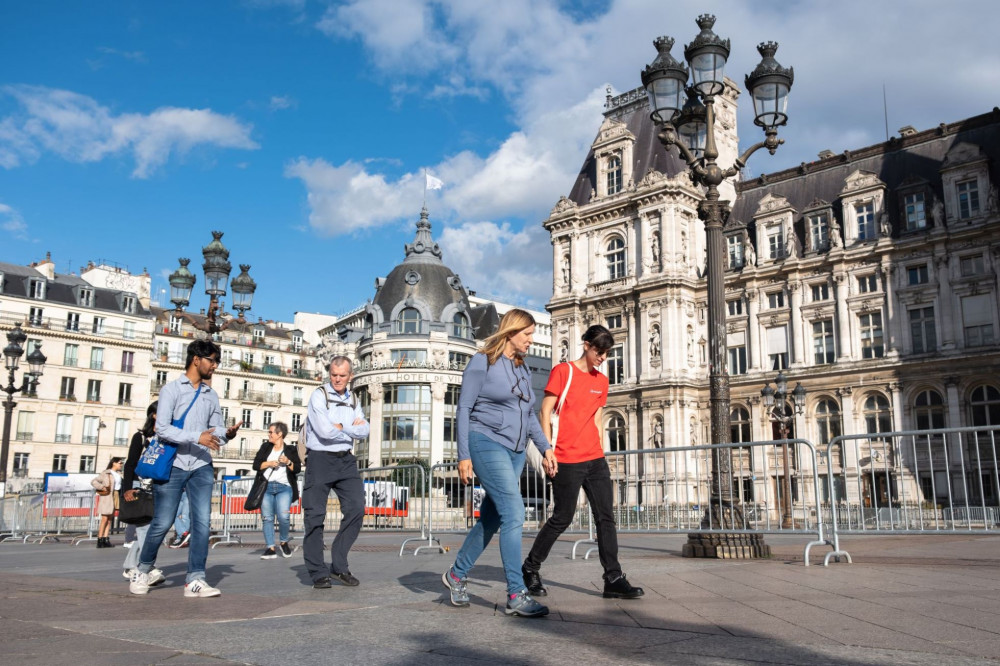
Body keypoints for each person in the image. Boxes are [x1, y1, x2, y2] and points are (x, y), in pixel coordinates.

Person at [442, 308, 557, 618]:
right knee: (515, 511)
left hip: (516, 450)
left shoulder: (522, 368)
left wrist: (545, 448)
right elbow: (463, 409)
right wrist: (463, 454)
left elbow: (530, 415)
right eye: (527, 335)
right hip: (485, 441)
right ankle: (516, 594)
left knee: (493, 518)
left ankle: (455, 574)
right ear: (510, 333)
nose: (532, 340)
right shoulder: (482, 362)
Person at [522, 325, 644, 600]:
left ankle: (613, 577)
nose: (603, 357)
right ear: (586, 345)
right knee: (562, 518)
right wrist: (547, 452)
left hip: (594, 459)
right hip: (565, 457)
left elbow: (598, 419)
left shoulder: (601, 381)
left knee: (606, 518)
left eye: (607, 353)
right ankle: (530, 569)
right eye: (599, 351)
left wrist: (600, 451)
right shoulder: (563, 372)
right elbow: (545, 411)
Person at [130, 339, 241, 597]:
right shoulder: (171, 391)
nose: (215, 366)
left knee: (202, 523)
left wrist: (228, 434)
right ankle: (143, 569)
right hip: (174, 464)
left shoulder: (210, 394)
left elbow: (215, 431)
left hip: (202, 464)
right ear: (196, 359)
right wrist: (196, 437)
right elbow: (162, 429)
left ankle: (195, 579)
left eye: (216, 361)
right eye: (212, 360)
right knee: (163, 522)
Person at [302, 356, 369, 589]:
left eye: (342, 375)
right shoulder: (319, 395)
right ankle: (317, 571)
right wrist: (351, 429)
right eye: (333, 374)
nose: (337, 379)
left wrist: (342, 427)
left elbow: (365, 430)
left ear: (350, 376)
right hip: (320, 459)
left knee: (357, 508)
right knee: (314, 517)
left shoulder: (353, 398)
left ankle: (338, 566)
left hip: (346, 460)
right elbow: (324, 431)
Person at [121, 402, 165, 587]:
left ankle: (130, 565)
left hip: (160, 487)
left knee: (153, 528)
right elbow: (130, 464)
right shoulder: (140, 437)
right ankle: (148, 568)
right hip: (141, 487)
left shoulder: (167, 437)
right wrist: (127, 489)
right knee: (145, 528)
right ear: (154, 415)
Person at [253, 421, 301, 560]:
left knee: (283, 517)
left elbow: (297, 468)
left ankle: (284, 541)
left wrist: (288, 462)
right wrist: (269, 463)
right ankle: (270, 548)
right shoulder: (265, 447)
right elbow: (256, 465)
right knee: (267, 518)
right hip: (266, 487)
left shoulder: (291, 449)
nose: (269, 434)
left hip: (284, 488)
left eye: (271, 432)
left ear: (280, 434)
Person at [91, 457, 123, 548]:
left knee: (110, 519)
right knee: (104, 518)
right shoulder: (106, 473)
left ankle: (106, 539)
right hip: (107, 496)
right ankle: (99, 539)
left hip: (116, 495)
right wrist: (102, 487)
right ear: (114, 463)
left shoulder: (119, 474)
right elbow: (94, 481)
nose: (121, 465)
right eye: (120, 463)